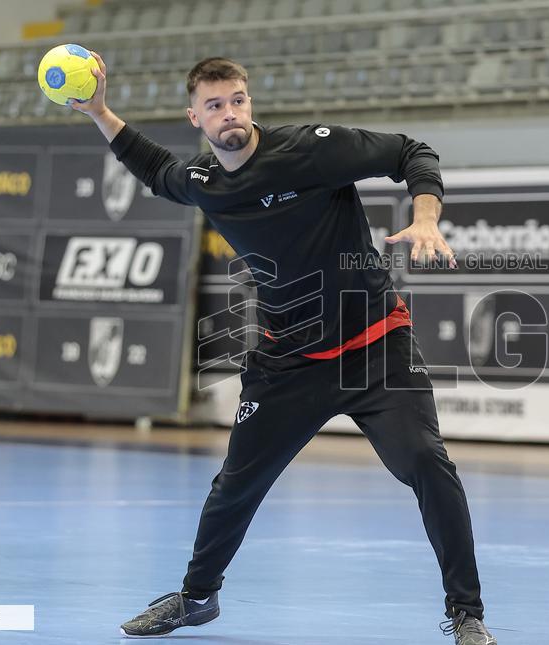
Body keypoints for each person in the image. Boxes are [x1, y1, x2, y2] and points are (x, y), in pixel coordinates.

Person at [70, 53, 497, 645]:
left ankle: (466, 612)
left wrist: (426, 217)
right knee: (235, 484)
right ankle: (197, 598)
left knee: (427, 463)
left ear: (250, 102)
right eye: (215, 106)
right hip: (288, 361)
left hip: (375, 346)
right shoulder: (206, 183)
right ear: (195, 117)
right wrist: (99, 111)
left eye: (237, 99)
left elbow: (410, 152)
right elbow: (153, 167)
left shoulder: (311, 149)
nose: (230, 114)